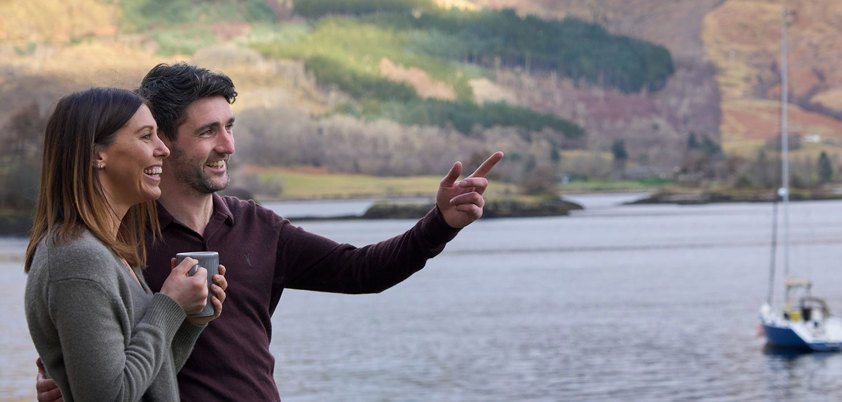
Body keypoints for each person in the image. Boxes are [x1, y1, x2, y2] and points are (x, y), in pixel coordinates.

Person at [37, 64, 503, 401]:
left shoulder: (259, 226)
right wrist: (71, 380)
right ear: (164, 140)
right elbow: (96, 358)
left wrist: (439, 224)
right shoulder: (118, 237)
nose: (228, 145)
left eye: (230, 128)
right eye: (209, 132)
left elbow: (362, 271)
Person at [24, 87, 229, 401]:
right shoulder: (77, 258)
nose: (163, 149)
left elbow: (149, 383)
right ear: (97, 154)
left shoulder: (110, 251)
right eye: (146, 136)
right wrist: (169, 304)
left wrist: (190, 319)